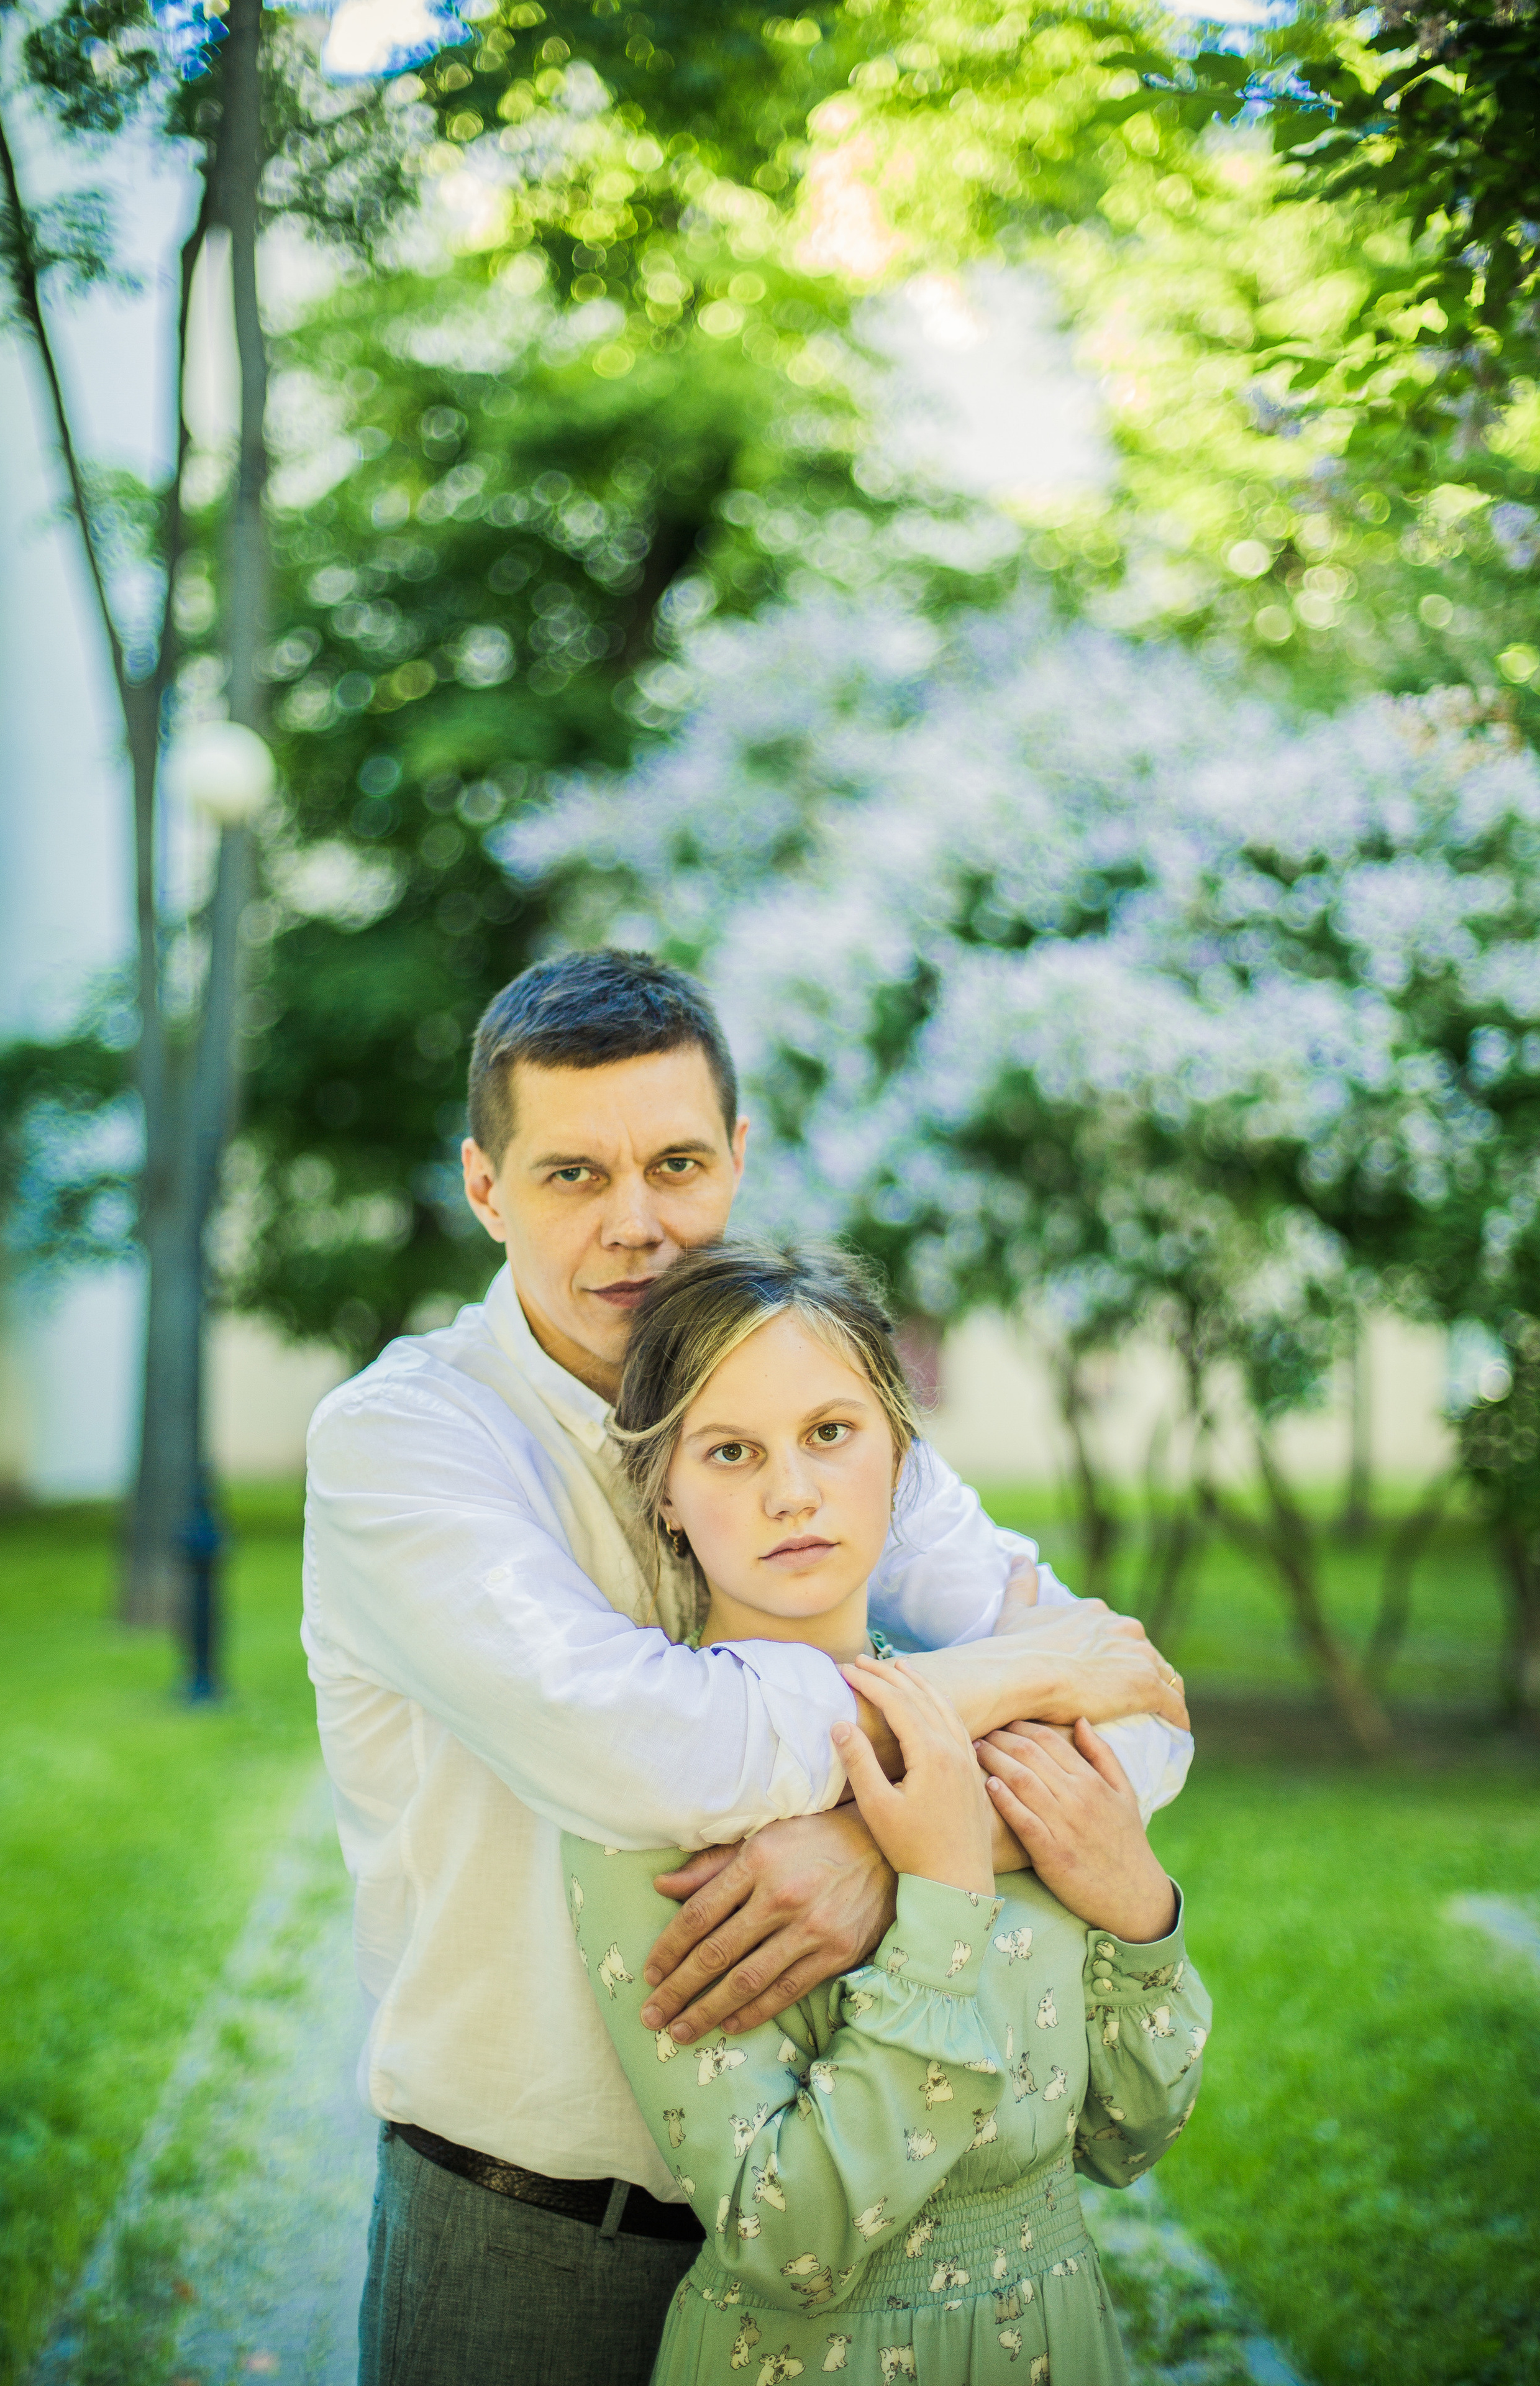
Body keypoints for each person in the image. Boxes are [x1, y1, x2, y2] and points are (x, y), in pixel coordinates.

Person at [302, 948, 1192, 2386]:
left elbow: (1138, 1731)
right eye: (570, 1177)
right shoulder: (407, 1442)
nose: (636, 1228)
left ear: (739, 1158)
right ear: (483, 1189)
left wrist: (873, 1847)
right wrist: (959, 1725)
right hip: (533, 2234)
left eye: (674, 1164)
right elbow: (645, 1754)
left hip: (860, 2243)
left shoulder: (800, 1404)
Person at [569, 1239, 1210, 2384]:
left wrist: (1139, 1910)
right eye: (730, 1452)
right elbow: (786, 2243)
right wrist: (946, 1903)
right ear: (665, 1495)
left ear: (900, 1452)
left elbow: (1130, 2137)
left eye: (830, 1433)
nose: (793, 1492)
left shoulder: (1005, 1729)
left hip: (1060, 2338)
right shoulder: (649, 1802)